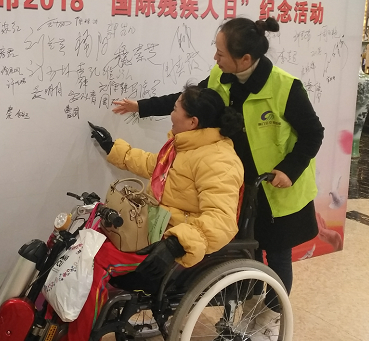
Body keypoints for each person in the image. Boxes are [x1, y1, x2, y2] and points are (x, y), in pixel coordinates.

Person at [112, 17, 324, 338]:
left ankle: (271, 316)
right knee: (244, 251)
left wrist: (288, 170)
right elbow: (186, 100)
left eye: (221, 52)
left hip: (277, 188)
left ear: (245, 59)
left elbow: (313, 133)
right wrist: (141, 106)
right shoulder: (221, 76)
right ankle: (245, 306)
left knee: (277, 253)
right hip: (236, 182)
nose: (215, 57)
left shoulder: (285, 88)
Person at [67, 85, 244, 341]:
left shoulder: (219, 161)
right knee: (84, 239)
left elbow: (221, 220)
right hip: (151, 228)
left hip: (169, 242)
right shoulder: (185, 146)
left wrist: (176, 243)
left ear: (192, 122)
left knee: (94, 263)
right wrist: (113, 148)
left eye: (175, 109)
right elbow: (155, 166)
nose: (171, 114)